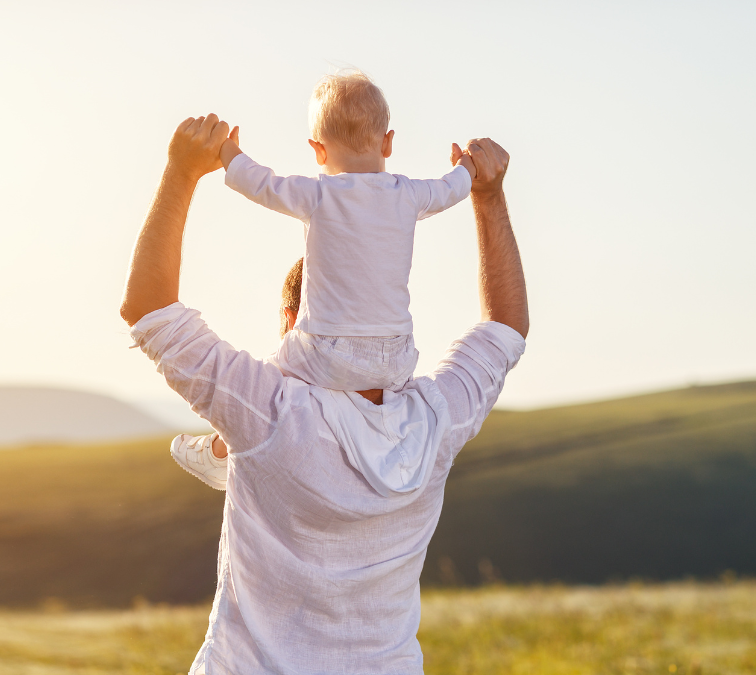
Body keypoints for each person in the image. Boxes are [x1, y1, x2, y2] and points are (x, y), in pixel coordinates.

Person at [120, 113, 528, 674]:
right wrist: (487, 196)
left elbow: (148, 309)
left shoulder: (266, 413)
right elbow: (505, 328)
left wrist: (182, 171)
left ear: (295, 320)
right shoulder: (436, 422)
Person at [223, 71, 476, 394]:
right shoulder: (409, 194)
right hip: (395, 355)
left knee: (262, 385)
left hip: (327, 350)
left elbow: (262, 185)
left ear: (318, 150)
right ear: (388, 142)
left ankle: (217, 444)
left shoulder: (318, 194)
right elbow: (451, 188)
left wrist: (229, 152)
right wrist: (466, 166)